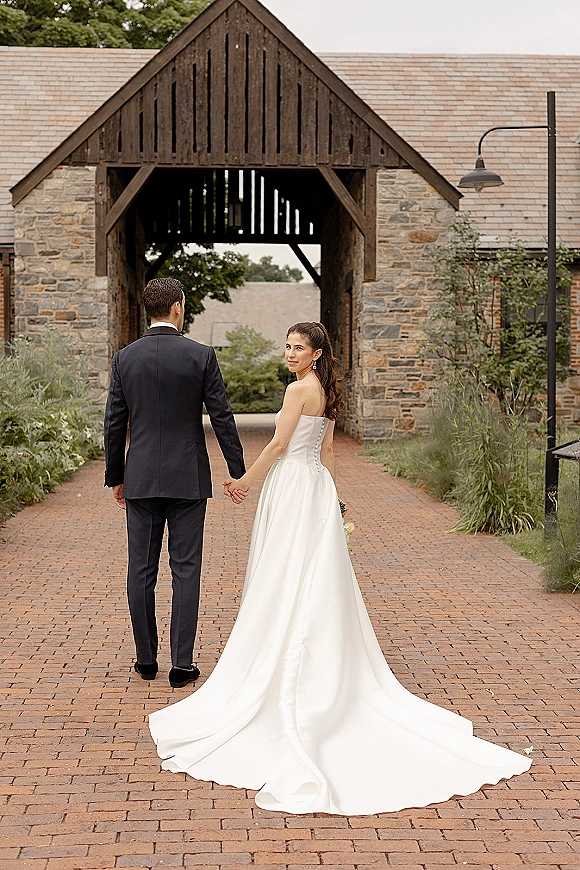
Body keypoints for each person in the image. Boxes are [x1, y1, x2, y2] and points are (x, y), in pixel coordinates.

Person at [148, 321, 531, 815]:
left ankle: (281, 656)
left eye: (298, 348)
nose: (289, 354)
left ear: (315, 352)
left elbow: (281, 446)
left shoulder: (297, 390)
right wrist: (336, 498)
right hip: (315, 490)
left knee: (284, 572)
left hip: (291, 486)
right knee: (314, 573)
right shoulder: (326, 390)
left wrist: (244, 480)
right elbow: (325, 453)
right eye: (286, 346)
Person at [104, 277, 245, 689]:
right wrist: (236, 469)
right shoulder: (201, 355)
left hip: (141, 477)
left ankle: (145, 660)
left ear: (150, 308)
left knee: (140, 569)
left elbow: (115, 422)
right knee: (186, 570)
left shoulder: (125, 359)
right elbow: (222, 415)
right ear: (178, 307)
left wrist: (116, 476)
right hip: (188, 478)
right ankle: (182, 664)